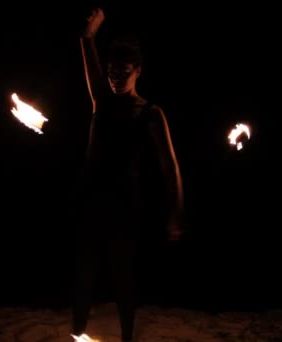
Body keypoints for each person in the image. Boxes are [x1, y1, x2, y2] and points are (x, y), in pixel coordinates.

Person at [71, 7, 184, 342]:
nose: (115, 77)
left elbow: (170, 166)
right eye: (111, 71)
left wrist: (176, 211)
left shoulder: (150, 113)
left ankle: (126, 339)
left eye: (123, 71)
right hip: (90, 200)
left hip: (125, 205)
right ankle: (77, 334)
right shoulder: (101, 101)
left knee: (123, 278)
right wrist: (90, 31)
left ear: (138, 71)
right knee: (83, 275)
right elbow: (86, 45)